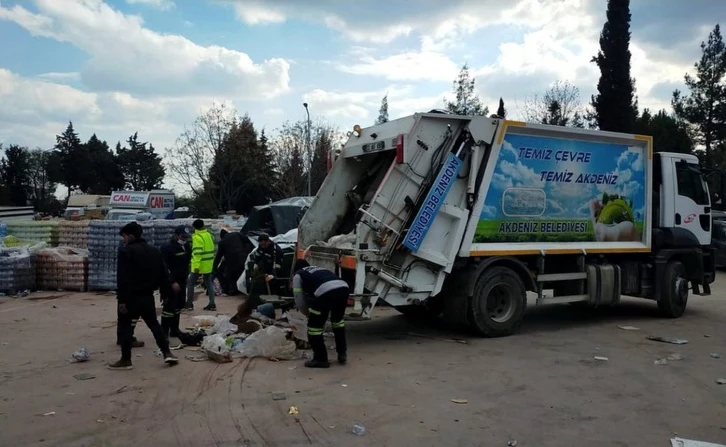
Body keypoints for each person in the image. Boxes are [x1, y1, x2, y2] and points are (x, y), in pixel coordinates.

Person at [109, 222, 179, 370]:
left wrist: (121, 300)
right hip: (148, 296)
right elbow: (163, 272)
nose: (124, 240)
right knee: (154, 324)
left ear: (131, 236)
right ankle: (167, 353)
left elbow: (123, 278)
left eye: (125, 236)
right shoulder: (154, 250)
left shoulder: (126, 252)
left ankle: (126, 359)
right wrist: (170, 287)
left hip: (130, 297)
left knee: (126, 326)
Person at [291, 259, 349, 368]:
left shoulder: (298, 275)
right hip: (343, 288)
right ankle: (342, 353)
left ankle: (321, 359)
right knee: (338, 321)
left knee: (314, 328)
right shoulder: (318, 269)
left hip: (325, 291)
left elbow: (299, 300)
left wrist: (308, 315)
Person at [160, 225, 192, 343]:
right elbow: (164, 268)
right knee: (169, 307)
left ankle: (174, 329)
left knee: (179, 305)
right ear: (176, 235)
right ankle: (164, 332)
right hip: (170, 283)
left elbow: (186, 263)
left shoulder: (186, 246)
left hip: (182, 281)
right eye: (182, 236)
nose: (184, 239)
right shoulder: (167, 248)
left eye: (186, 237)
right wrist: (172, 282)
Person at [246, 233, 283, 318]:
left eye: (264, 244)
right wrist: (256, 264)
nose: (262, 246)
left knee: (273, 288)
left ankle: (274, 306)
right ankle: (258, 304)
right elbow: (258, 256)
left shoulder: (276, 250)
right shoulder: (261, 247)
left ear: (267, 241)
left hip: (273, 271)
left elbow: (277, 265)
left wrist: (273, 275)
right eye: (261, 244)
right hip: (264, 270)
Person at [115, 239, 143, 349]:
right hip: (130, 288)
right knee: (130, 314)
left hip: (126, 288)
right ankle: (126, 338)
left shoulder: (124, 249)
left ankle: (122, 337)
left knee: (124, 315)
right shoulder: (127, 252)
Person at [186, 219, 216, 311]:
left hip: (199, 265)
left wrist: (195, 267)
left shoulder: (197, 237)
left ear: (195, 227)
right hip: (209, 263)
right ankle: (212, 303)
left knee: (190, 283)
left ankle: (189, 303)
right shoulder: (209, 235)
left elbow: (197, 253)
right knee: (209, 283)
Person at [213, 228, 252, 295]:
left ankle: (233, 291)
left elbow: (218, 257)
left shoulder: (222, 242)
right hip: (243, 258)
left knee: (232, 277)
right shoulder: (236, 234)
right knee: (242, 275)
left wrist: (214, 268)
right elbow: (248, 240)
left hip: (232, 262)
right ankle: (244, 290)